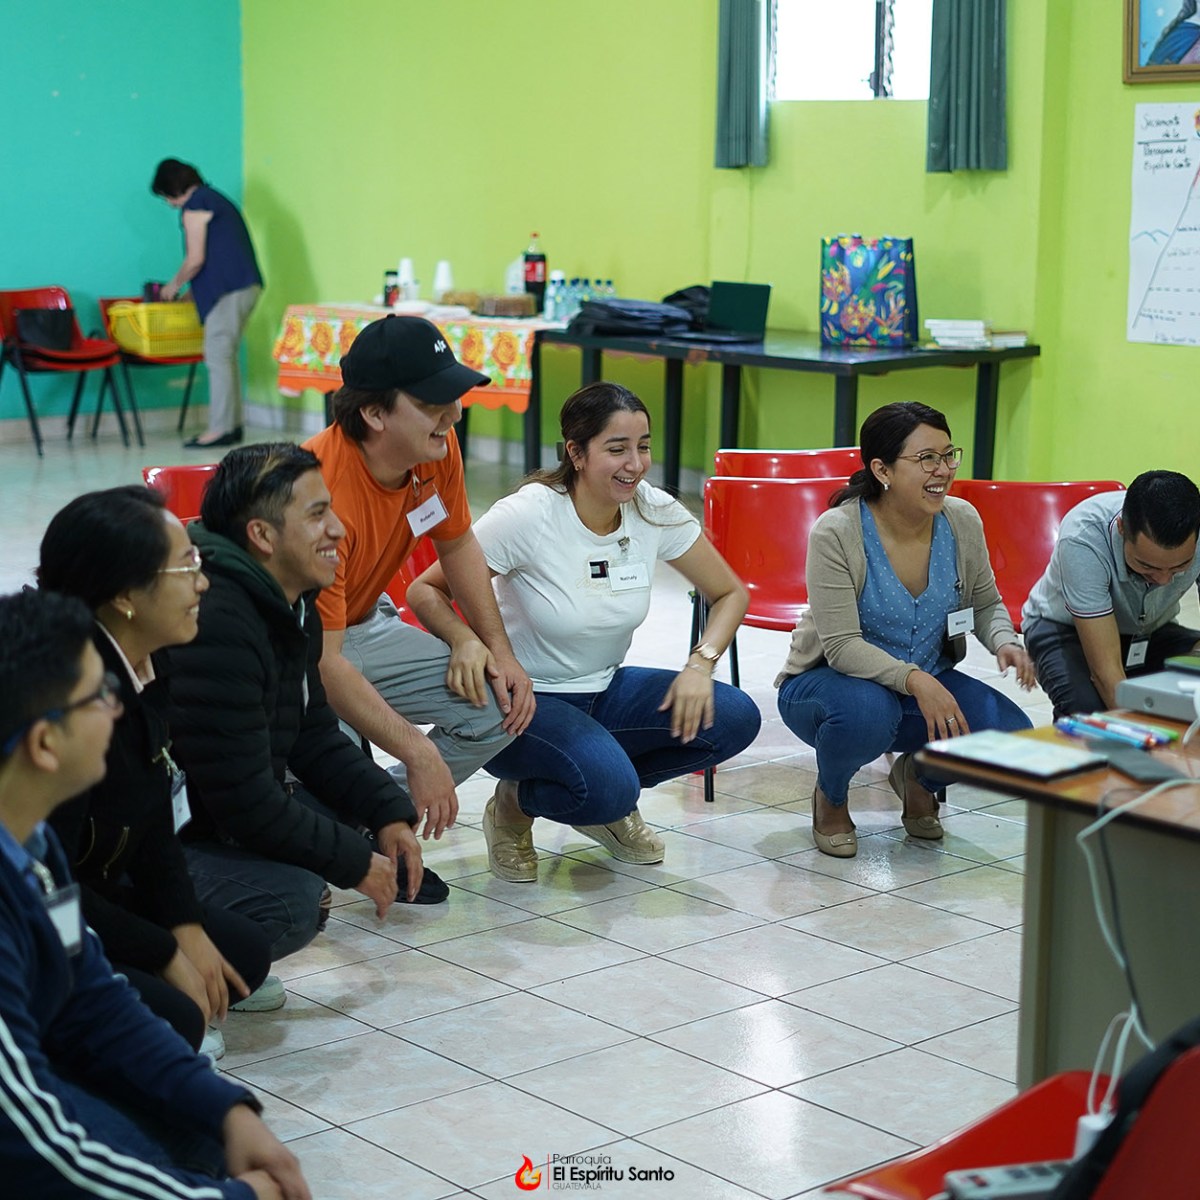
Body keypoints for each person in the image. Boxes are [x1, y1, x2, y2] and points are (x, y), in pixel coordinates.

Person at [0, 588, 310, 1200]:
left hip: (37, 1077)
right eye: (99, 697)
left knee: (198, 1136)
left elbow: (89, 992)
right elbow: (29, 1138)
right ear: (43, 743)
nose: (116, 709)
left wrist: (226, 1109)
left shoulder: (32, 842)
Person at [408, 382, 762, 881]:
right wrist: (477, 644)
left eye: (643, 446)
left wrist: (700, 663)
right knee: (609, 789)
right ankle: (515, 805)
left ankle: (599, 790)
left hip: (605, 687)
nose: (635, 464)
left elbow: (730, 593)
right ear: (576, 452)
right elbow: (426, 591)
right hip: (524, 703)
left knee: (734, 718)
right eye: (616, 449)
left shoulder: (652, 509)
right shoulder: (530, 513)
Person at [163, 443, 430, 962]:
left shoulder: (290, 596)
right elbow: (241, 800)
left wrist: (387, 813)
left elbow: (311, 731)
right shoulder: (214, 617)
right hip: (160, 834)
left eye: (330, 509)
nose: (338, 529)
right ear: (261, 535)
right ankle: (166, 972)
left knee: (348, 816)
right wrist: (355, 861)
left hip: (208, 808)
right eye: (316, 515)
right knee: (292, 903)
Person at [38, 486, 274, 1061]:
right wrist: (160, 949)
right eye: (186, 565)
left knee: (244, 952)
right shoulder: (67, 701)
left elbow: (154, 818)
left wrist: (184, 925)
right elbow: (43, 886)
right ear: (125, 595)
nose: (202, 582)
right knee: (176, 1020)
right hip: (43, 907)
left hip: (96, 882)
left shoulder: (148, 659)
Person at [301, 315, 535, 845]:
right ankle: (349, 821)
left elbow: (456, 544)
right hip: (300, 651)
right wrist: (418, 749)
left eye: (454, 396)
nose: (454, 414)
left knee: (499, 706)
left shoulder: (436, 449)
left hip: (365, 625)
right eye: (433, 403)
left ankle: (370, 823)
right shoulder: (318, 495)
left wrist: (492, 647)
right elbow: (324, 660)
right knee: (325, 765)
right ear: (373, 413)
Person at [775, 402, 1035, 859]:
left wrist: (1004, 641)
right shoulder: (836, 532)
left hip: (925, 680)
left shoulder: (961, 520)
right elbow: (841, 647)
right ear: (882, 469)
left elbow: (985, 603)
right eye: (926, 459)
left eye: (948, 455)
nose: (943, 471)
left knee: (1010, 733)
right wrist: (917, 680)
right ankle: (831, 796)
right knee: (869, 714)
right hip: (832, 683)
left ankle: (919, 777)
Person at [1022, 471, 1200, 719]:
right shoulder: (1083, 538)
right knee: (1089, 712)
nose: (1163, 580)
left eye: (1181, 566)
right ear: (1121, 529)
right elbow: (1105, 672)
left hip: (1149, 629)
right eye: (1147, 566)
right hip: (1064, 628)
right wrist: (1142, 739)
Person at [151, 157, 263, 450]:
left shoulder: (196, 204)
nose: (169, 204)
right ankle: (232, 425)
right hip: (242, 287)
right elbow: (218, 256)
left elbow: (196, 258)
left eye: (166, 197)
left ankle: (220, 429)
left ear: (171, 189)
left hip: (232, 290)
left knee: (217, 355)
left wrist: (172, 287)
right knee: (224, 355)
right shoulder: (214, 198)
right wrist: (192, 293)